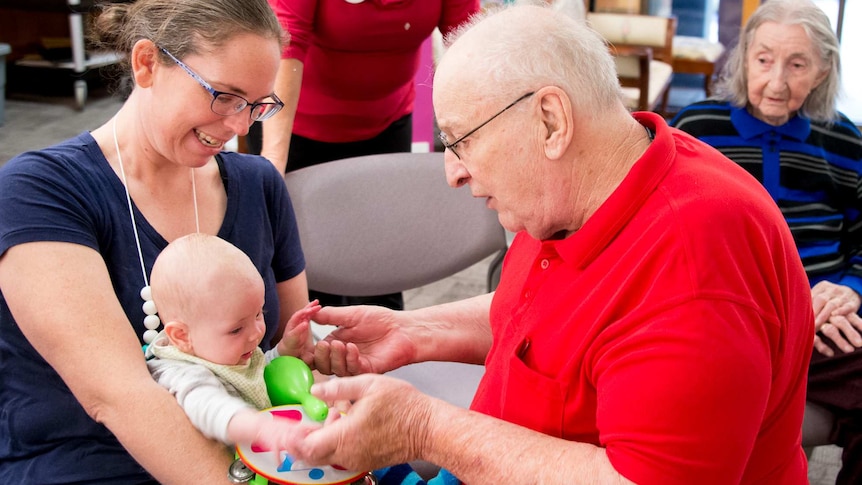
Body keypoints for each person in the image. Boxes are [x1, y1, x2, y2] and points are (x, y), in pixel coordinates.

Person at [285, 4, 815, 484]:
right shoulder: (589, 184)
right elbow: (559, 315)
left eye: (461, 140)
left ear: (551, 121)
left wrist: (425, 430)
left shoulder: (693, 270)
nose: (452, 172)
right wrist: (417, 330)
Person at [0, 0, 312, 482]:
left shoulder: (257, 185)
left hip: (254, 459)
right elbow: (118, 396)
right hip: (88, 466)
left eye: (256, 104)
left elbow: (283, 348)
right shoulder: (40, 192)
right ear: (147, 63)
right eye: (224, 95)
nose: (240, 126)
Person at [669, 1, 862, 483]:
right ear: (744, 59)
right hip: (729, 317)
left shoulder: (846, 141)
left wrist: (850, 289)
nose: (777, 82)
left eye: (797, 65)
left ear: (822, 71)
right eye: (763, 60)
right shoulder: (697, 130)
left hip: (826, 322)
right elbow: (665, 232)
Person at [252, 0, 480, 311]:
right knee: (310, 269)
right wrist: (273, 163)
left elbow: (466, 45)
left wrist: (471, 141)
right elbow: (287, 43)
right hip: (295, 129)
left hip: (387, 122)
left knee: (381, 255)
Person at [145, 233, 320, 450]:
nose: (256, 333)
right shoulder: (181, 371)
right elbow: (209, 407)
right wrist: (261, 428)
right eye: (236, 329)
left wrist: (284, 350)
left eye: (259, 313)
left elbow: (256, 373)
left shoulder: (224, 351)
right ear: (182, 336)